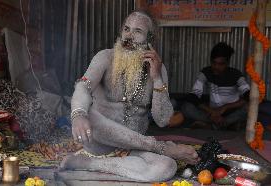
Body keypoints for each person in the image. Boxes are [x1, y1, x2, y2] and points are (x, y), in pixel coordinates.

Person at [59, 11, 199, 182]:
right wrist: (78, 114)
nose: (129, 36)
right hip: (98, 141)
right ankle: (159, 147)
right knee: (87, 111)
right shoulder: (105, 57)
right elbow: (82, 87)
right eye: (126, 29)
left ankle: (88, 164)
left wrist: (156, 78)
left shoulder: (158, 70)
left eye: (137, 31)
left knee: (167, 167)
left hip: (130, 147)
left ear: (150, 38)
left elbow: (163, 120)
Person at [182, 42, 250, 130]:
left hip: (231, 112)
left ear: (227, 63)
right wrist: (211, 111)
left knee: (249, 108)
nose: (216, 67)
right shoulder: (205, 72)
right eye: (214, 63)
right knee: (186, 107)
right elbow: (193, 96)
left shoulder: (236, 74)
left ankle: (213, 126)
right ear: (210, 61)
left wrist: (225, 107)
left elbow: (249, 96)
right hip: (211, 113)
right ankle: (226, 125)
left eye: (221, 64)